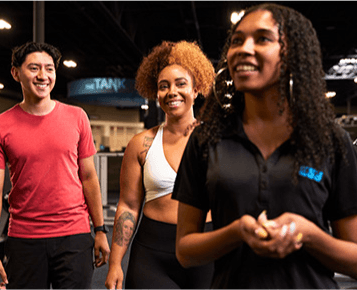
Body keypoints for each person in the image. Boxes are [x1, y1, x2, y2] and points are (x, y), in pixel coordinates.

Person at [172, 3, 357, 289]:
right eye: (237, 40)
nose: (244, 48)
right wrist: (235, 232)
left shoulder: (330, 141)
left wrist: (308, 235)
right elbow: (185, 251)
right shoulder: (205, 141)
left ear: (292, 54)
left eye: (262, 39)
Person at [0, 42, 110, 290]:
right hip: (24, 238)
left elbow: (89, 177)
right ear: (16, 73)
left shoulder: (77, 117)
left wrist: (101, 229)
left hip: (74, 236)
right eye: (34, 68)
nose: (43, 76)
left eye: (49, 69)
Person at [105, 40, 215, 290]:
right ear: (156, 94)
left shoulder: (216, 140)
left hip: (206, 249)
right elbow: (129, 206)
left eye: (181, 84)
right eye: (163, 86)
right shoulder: (140, 144)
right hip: (152, 254)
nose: (172, 92)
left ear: (196, 90)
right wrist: (115, 262)